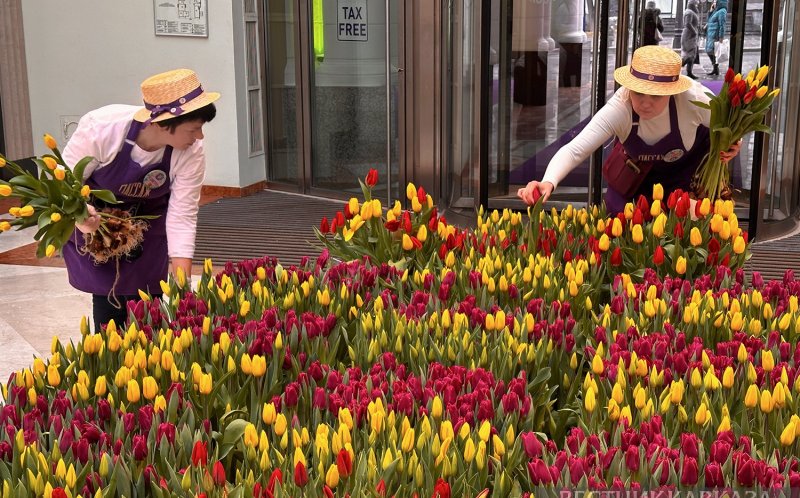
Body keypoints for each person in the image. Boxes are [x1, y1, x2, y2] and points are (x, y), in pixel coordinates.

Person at [61, 68, 219, 332]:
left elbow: (182, 214)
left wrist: (182, 286)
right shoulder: (102, 129)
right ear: (162, 123)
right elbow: (64, 184)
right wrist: (81, 216)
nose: (199, 137)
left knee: (148, 301)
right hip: (98, 222)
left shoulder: (191, 150)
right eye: (194, 129)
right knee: (107, 296)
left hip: (148, 224)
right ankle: (110, 361)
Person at [516, 45, 740, 214]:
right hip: (633, 182)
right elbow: (575, 149)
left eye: (655, 95)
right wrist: (548, 181)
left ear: (672, 91)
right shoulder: (620, 107)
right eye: (639, 92)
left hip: (683, 182)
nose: (645, 103)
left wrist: (734, 143)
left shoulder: (695, 100)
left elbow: (730, 128)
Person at [705, 0, 728, 76]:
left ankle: (715, 69)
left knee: (714, 52)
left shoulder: (722, 11)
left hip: (715, 35)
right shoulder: (716, 11)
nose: (714, 2)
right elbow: (709, 20)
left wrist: (721, 36)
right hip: (710, 34)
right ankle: (715, 69)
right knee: (710, 52)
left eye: (715, 1)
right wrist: (711, 11)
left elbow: (722, 25)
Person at [681, 0, 701, 79]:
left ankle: (689, 72)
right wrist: (694, 32)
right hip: (689, 35)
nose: (696, 6)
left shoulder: (692, 12)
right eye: (695, 4)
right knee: (688, 54)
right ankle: (677, 66)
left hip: (692, 35)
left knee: (692, 54)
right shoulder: (689, 12)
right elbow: (687, 23)